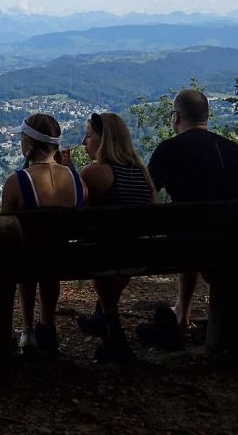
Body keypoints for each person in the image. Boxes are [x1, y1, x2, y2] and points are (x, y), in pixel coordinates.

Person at [147, 88, 238, 331]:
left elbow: (148, 193)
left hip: (186, 242)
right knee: (198, 230)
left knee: (189, 230)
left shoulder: (170, 150)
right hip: (235, 240)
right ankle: (188, 310)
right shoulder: (235, 151)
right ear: (207, 115)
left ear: (176, 117)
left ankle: (182, 311)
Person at [68, 111, 155, 362]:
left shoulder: (96, 173)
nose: (85, 142)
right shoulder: (142, 173)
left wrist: (71, 175)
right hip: (139, 255)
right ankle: (101, 316)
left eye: (88, 136)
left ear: (103, 140)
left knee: (104, 250)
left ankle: (111, 328)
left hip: (103, 257)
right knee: (117, 249)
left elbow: (76, 214)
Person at [1, 113, 87, 356]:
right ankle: (47, 324)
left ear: (28, 142)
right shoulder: (76, 180)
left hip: (25, 262)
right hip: (64, 260)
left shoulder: (17, 182)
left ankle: (27, 329)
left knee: (28, 254)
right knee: (48, 258)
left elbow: (4, 229)